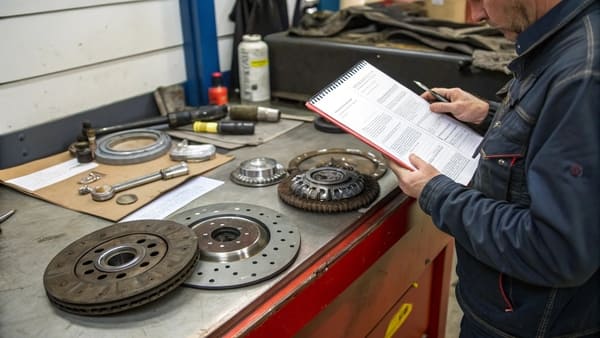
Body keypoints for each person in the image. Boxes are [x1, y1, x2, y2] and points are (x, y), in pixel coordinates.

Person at [388, 0, 599, 337]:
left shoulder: (583, 75)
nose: (476, 16)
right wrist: (488, 115)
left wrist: (437, 192)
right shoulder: (566, 38)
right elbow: (548, 134)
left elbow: (556, 251)